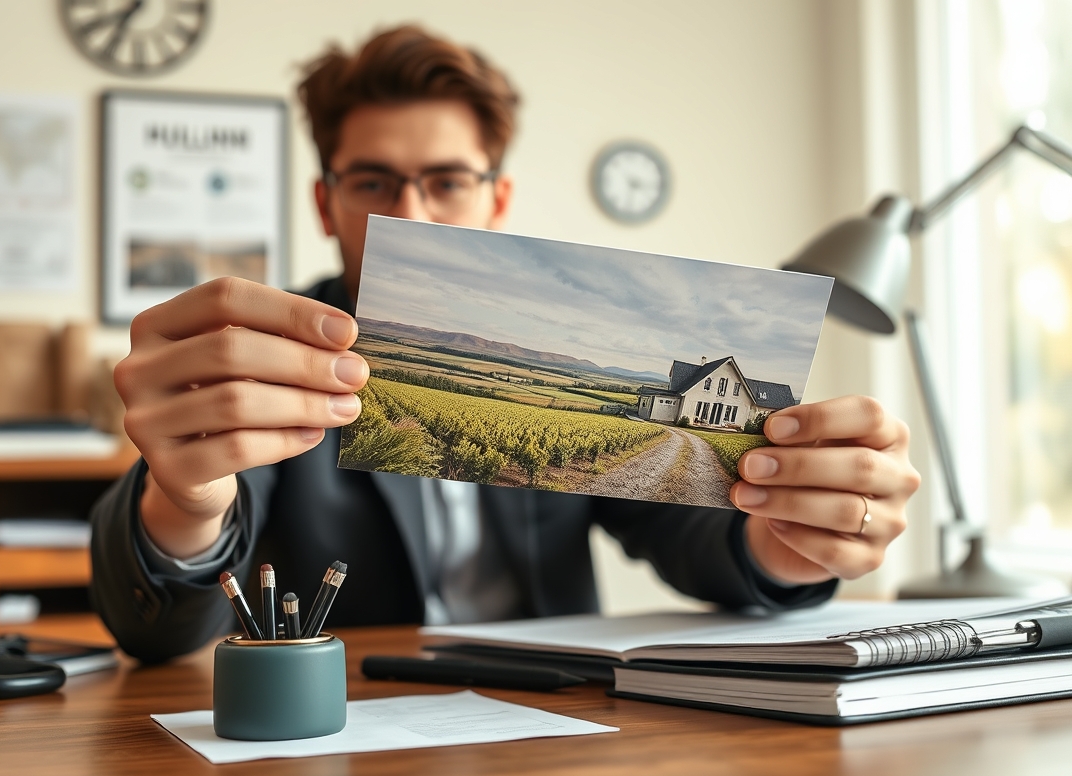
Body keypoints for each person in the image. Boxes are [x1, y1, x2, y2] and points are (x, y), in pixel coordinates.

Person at [90, 26, 921, 663]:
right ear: (323, 202)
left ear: (498, 198)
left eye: (447, 180)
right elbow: (159, 629)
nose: (410, 212)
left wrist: (784, 544)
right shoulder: (264, 356)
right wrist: (187, 503)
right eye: (373, 181)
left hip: (558, 725)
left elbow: (685, 534)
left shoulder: (579, 356)